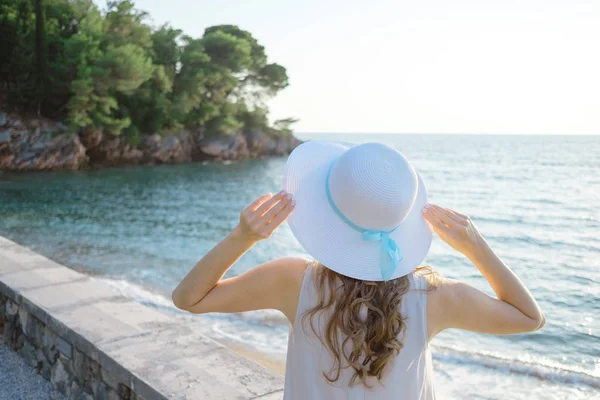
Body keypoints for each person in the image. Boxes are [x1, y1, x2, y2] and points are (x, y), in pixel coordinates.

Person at [172, 141, 545, 399]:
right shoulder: (434, 296)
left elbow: (189, 299)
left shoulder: (293, 281)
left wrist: (243, 237)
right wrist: (475, 246)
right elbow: (529, 318)